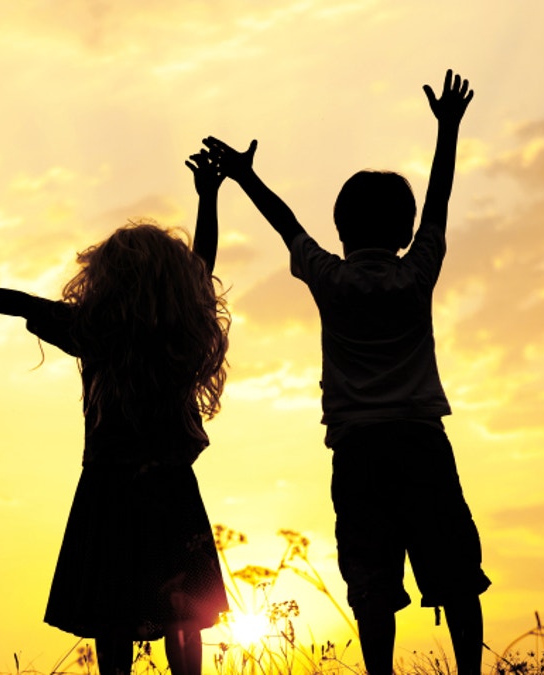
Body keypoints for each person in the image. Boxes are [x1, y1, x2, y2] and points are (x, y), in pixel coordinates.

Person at [202, 70, 489, 675]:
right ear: (406, 231)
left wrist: (244, 174)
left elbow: (284, 223)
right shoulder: (417, 276)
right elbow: (439, 204)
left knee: (370, 578)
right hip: (420, 442)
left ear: (340, 228)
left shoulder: (328, 279)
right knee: (455, 571)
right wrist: (448, 130)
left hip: (357, 451)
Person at [0, 150, 231, 675]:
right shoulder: (182, 326)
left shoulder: (95, 331)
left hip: (108, 490)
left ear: (107, 277)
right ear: (174, 282)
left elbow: (22, 303)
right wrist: (209, 198)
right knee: (184, 615)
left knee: (113, 613)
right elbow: (203, 266)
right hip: (171, 488)